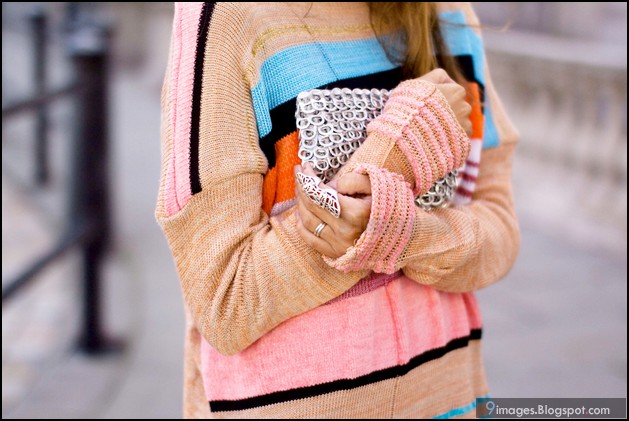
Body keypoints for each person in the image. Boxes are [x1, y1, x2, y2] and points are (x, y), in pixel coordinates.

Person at [156, 2, 519, 418]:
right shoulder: (228, 15)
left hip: (449, 401)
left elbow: (502, 229)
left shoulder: (449, 13)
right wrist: (395, 156)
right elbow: (227, 301)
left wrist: (408, 235)